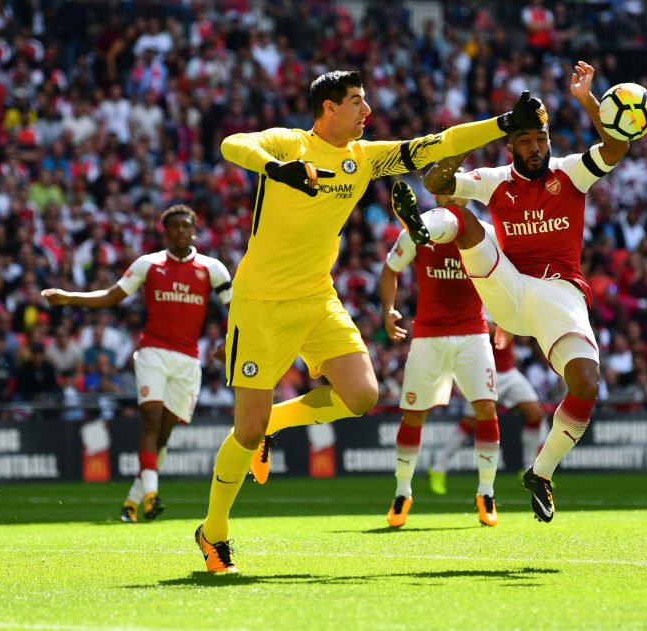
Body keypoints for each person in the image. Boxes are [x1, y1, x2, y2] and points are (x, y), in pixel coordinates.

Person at [197, 69, 547, 573]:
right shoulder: (289, 143)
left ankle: (277, 423)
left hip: (317, 296)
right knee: (245, 431)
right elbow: (232, 144)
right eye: (357, 102)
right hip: (260, 303)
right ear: (328, 108)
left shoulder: (364, 157)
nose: (367, 111)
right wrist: (278, 169)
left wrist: (502, 124)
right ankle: (214, 533)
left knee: (360, 396)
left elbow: (437, 144)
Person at [394, 61, 629, 522]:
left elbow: (615, 146)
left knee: (585, 383)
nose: (536, 148)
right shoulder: (495, 179)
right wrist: (476, 138)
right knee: (463, 221)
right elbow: (436, 183)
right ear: (511, 145)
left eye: (541, 140)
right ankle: (421, 231)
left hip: (560, 294)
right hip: (508, 286)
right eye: (525, 140)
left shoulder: (570, 174)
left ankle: (540, 474)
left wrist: (587, 100)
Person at [41, 205, 232, 523]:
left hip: (188, 361)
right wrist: (67, 297)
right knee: (152, 421)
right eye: (174, 227)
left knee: (164, 435)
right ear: (165, 231)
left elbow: (236, 308)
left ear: (194, 230)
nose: (180, 231)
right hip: (152, 352)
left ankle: (132, 499)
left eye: (185, 226)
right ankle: (151, 497)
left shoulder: (213, 269)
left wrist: (230, 342)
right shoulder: (150, 264)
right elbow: (112, 296)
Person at [380, 188, 500, 528]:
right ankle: (403, 492)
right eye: (444, 191)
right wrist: (389, 309)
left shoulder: (483, 232)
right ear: (436, 196)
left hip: (472, 333)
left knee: (486, 409)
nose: (451, 197)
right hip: (429, 335)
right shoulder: (417, 232)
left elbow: (502, 279)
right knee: (413, 415)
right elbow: (390, 270)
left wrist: (504, 319)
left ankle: (486, 491)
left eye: (455, 189)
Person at [428, 321, 545, 493]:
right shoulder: (483, 303)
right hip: (485, 372)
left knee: (535, 413)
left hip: (508, 372)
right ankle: (438, 468)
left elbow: (515, 334)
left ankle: (528, 470)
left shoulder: (505, 301)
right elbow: (485, 330)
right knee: (470, 422)